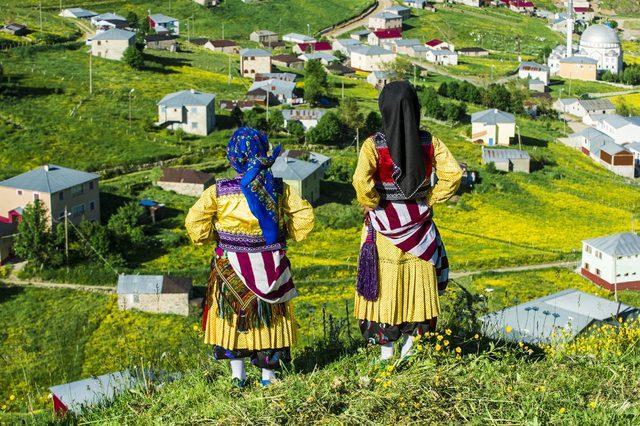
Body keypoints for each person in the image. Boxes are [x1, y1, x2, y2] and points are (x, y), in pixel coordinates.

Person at [185, 127, 314, 387]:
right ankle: (269, 377)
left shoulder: (218, 191)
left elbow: (194, 222)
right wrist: (282, 234)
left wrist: (217, 238)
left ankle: (237, 376)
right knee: (270, 317)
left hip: (229, 265)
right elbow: (305, 217)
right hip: (271, 265)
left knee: (233, 317)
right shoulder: (279, 188)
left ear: (233, 157)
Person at [352, 81, 462, 361]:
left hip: (383, 232)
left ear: (383, 109)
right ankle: (410, 351)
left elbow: (361, 182)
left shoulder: (372, 145)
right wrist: (430, 199)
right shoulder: (430, 142)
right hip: (420, 229)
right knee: (418, 287)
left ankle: (386, 355)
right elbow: (453, 174)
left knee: (386, 285)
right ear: (416, 108)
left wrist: (373, 203)